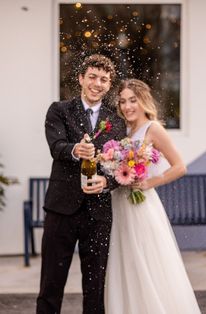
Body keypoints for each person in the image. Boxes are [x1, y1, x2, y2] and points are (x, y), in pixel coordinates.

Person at [36, 54, 126, 314]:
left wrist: (106, 182)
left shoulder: (116, 121)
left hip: (98, 213)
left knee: (96, 285)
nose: (98, 83)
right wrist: (75, 149)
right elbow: (56, 147)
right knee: (51, 281)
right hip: (60, 209)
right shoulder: (59, 109)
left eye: (104, 80)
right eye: (93, 77)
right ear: (81, 79)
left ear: (109, 85)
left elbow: (120, 167)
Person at [105, 79, 201, 313]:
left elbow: (179, 166)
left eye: (132, 100)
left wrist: (149, 183)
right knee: (124, 261)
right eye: (123, 101)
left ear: (143, 100)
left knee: (145, 261)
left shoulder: (153, 128)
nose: (127, 106)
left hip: (140, 205)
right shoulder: (123, 130)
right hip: (119, 203)